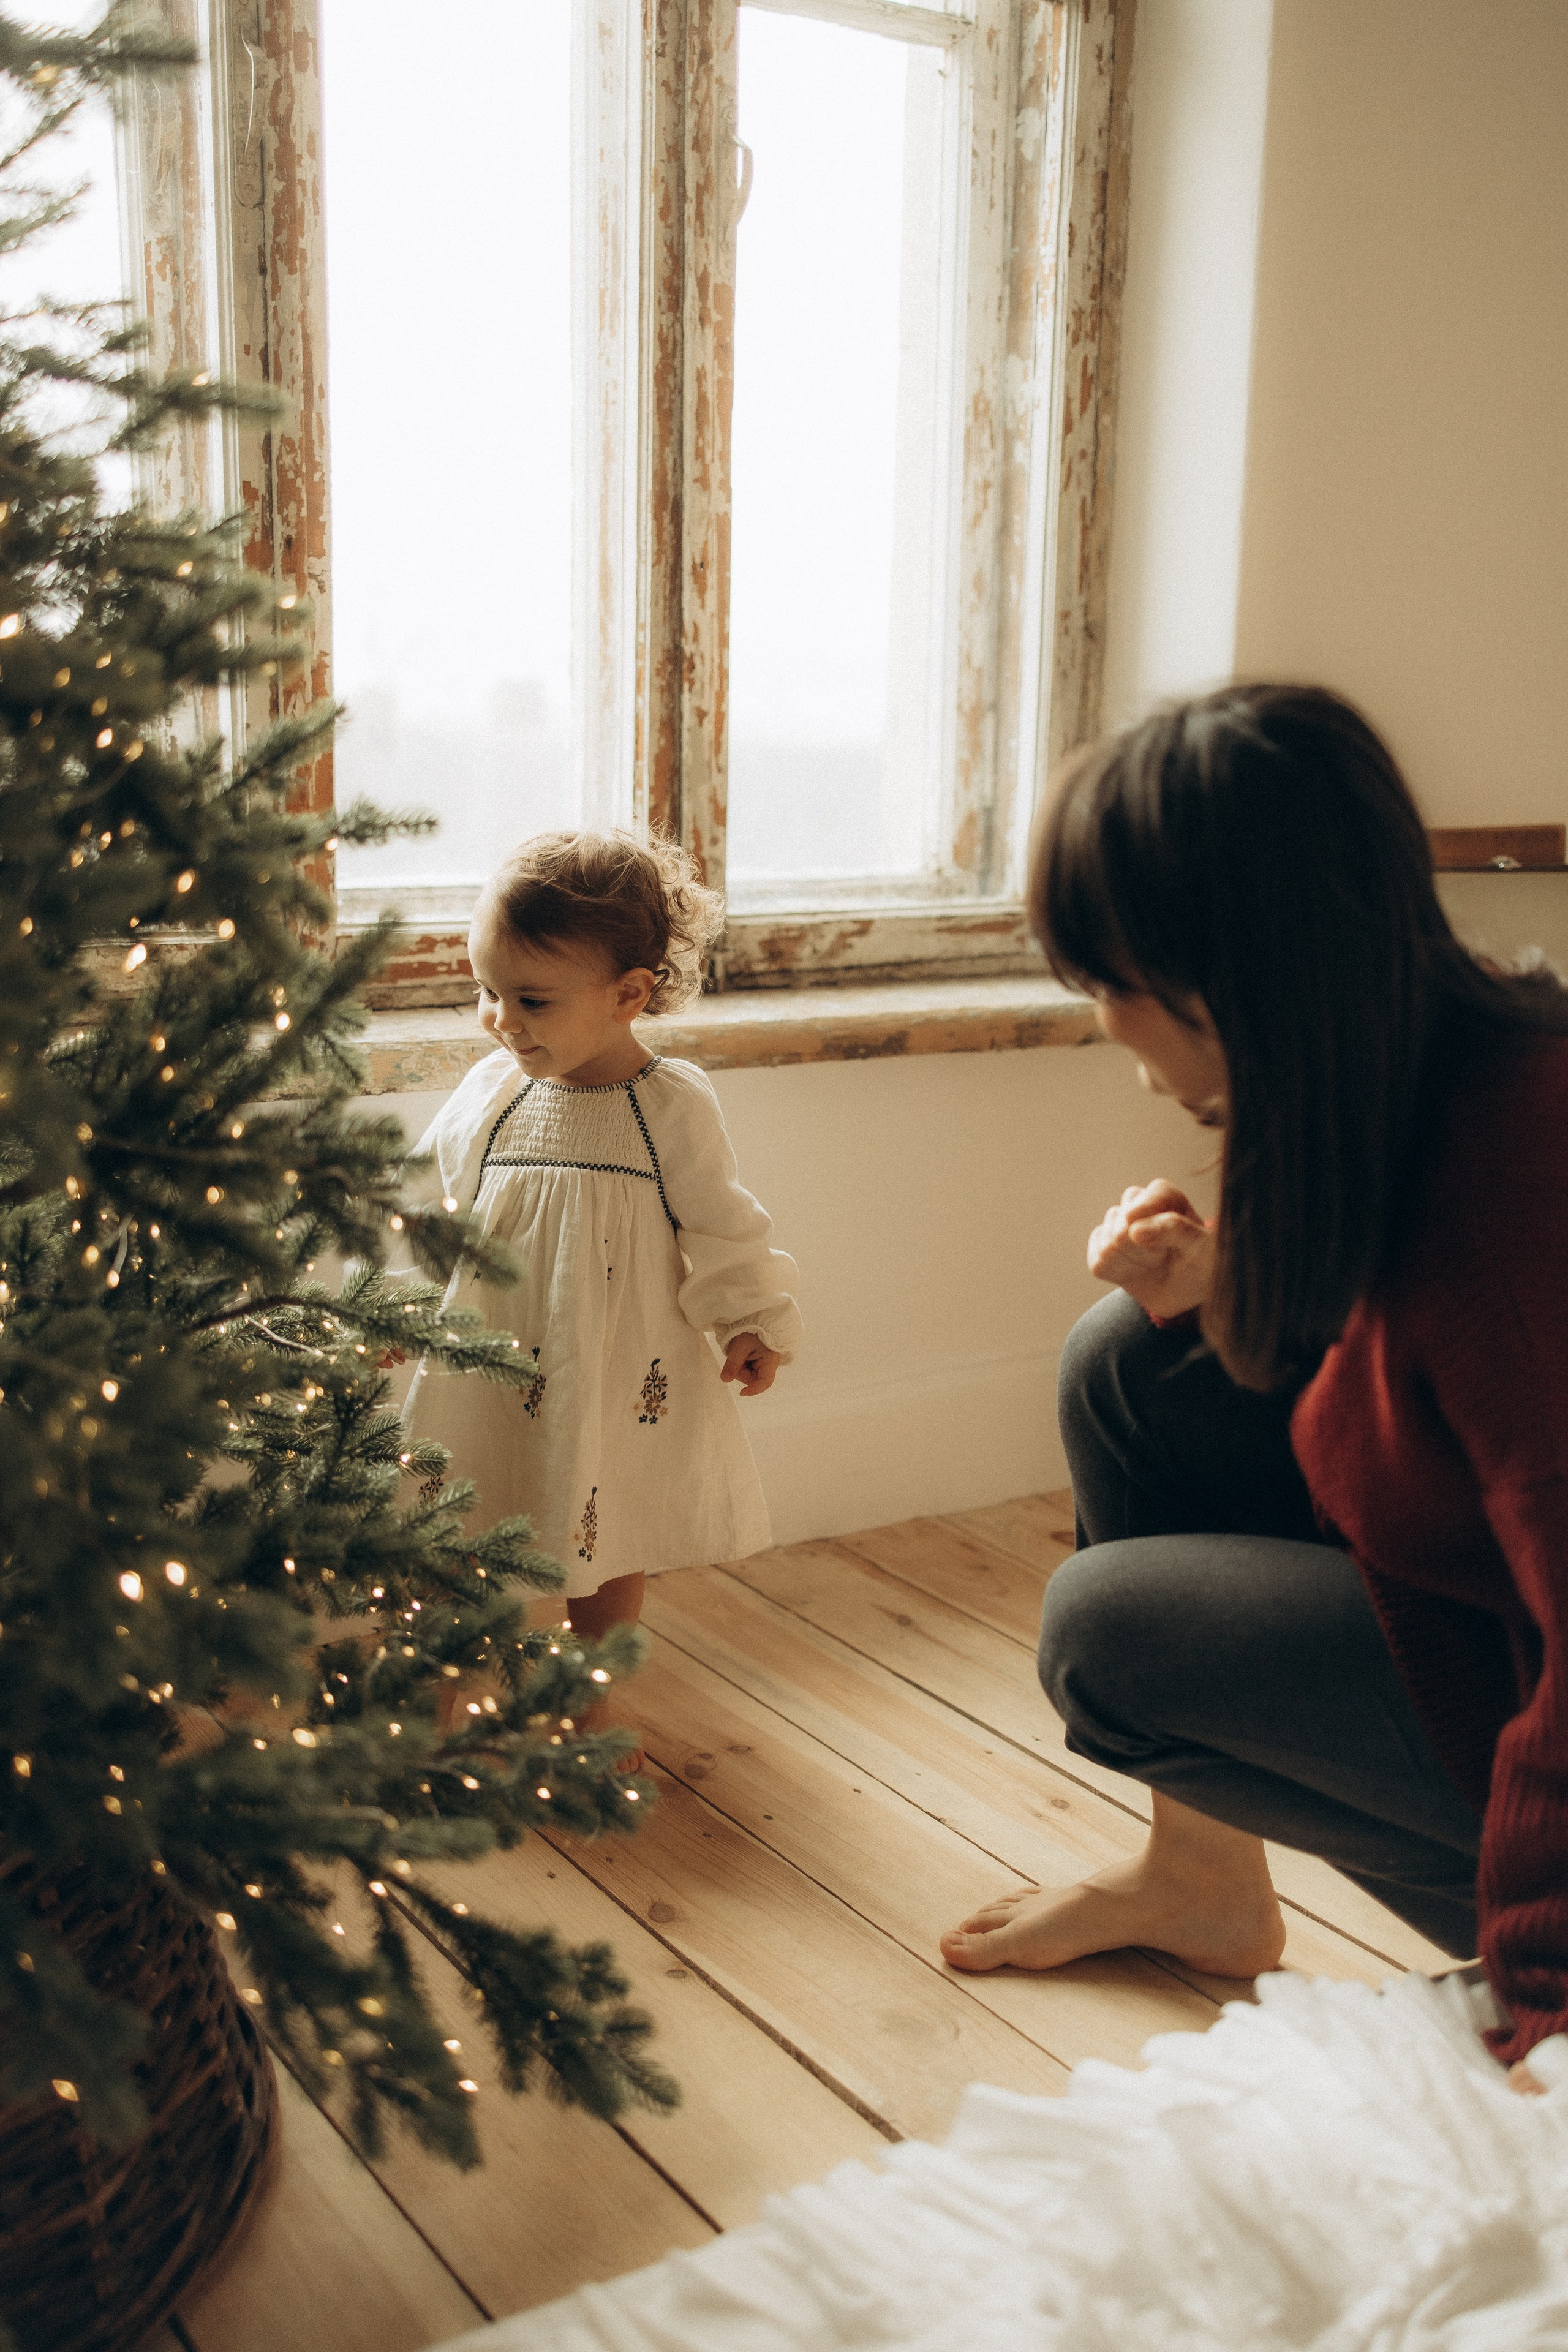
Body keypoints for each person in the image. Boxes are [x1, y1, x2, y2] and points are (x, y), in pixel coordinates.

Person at [938, 682, 1568, 2089]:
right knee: (1127, 1366)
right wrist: (1228, 1287)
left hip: (1531, 1681)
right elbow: (1417, 1367)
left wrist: (1535, 2009)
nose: (1105, 1026)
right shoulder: (1434, 1061)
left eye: (1110, 983)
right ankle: (1201, 1885)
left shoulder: (1513, 1201)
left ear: (1231, 982)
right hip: (1471, 1602)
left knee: (1104, 1633)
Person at [401, 831, 801, 1754]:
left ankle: (590, 1690)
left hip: (619, 1364)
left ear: (630, 994)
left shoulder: (671, 1105)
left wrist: (753, 1317)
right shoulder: (493, 1092)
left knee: (607, 1531)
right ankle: (448, 1685)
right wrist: (400, 1305)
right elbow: (432, 1205)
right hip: (491, 1348)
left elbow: (724, 1224)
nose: (502, 1019)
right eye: (487, 992)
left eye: (531, 999)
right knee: (463, 1510)